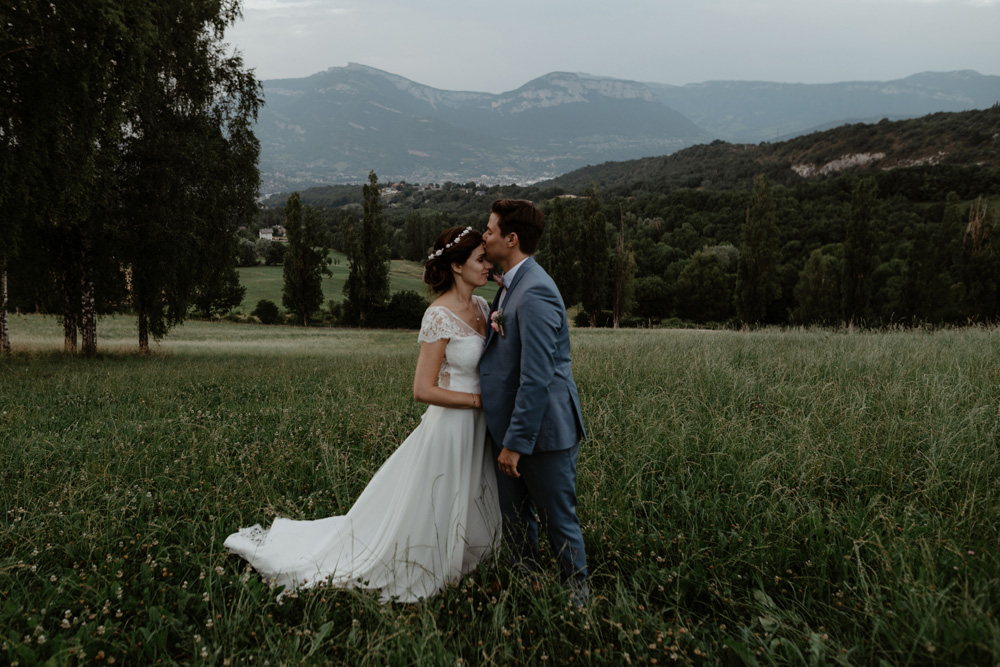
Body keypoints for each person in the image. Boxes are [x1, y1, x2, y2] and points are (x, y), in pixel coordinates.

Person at [224, 227, 500, 603]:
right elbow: (422, 390)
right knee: (439, 501)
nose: (488, 265)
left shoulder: (483, 307)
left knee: (473, 494)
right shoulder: (438, 315)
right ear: (456, 265)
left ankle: (468, 556)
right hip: (452, 425)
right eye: (481, 259)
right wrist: (477, 401)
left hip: (482, 427)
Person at [479, 199, 589, 602]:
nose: (484, 236)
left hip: (543, 432)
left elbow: (537, 377)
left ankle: (577, 601)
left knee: (559, 520)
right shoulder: (512, 284)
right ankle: (526, 590)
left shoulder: (536, 290)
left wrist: (515, 444)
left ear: (511, 239)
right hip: (509, 428)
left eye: (490, 230)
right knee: (515, 520)